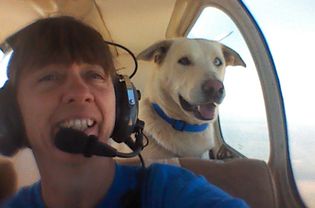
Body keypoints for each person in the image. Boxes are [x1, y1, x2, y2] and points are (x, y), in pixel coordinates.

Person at [0, 16, 249, 208]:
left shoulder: (168, 189)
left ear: (121, 104)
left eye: (94, 75)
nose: (79, 91)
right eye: (49, 77)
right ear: (11, 112)